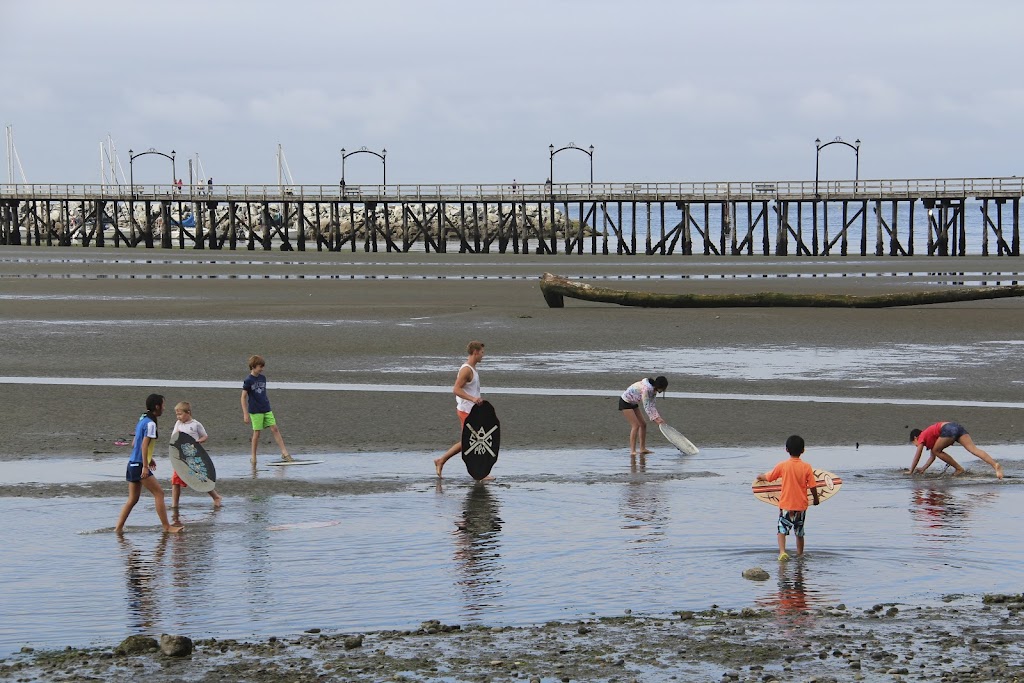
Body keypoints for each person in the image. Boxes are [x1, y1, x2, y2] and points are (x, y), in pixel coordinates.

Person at [114, 394, 184, 534]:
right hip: (139, 465)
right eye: (163, 405)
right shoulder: (151, 424)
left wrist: (149, 458)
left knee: (133, 499)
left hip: (132, 463)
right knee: (159, 493)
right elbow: (144, 445)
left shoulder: (143, 419)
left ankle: (118, 529)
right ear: (157, 406)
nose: (164, 408)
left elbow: (135, 442)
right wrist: (145, 466)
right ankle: (167, 527)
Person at [761, 435, 819, 561]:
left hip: (786, 505)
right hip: (801, 506)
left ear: (786, 450)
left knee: (782, 529)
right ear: (803, 450)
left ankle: (782, 552)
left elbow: (770, 477)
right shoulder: (807, 467)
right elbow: (813, 486)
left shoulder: (783, 465)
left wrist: (761, 477)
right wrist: (816, 499)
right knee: (799, 532)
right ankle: (800, 555)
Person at [434, 341, 486, 478]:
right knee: (473, 441)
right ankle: (480, 473)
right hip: (466, 411)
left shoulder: (472, 369)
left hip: (473, 411)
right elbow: (456, 389)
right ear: (475, 352)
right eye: (482, 353)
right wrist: (473, 399)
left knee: (471, 440)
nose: (483, 356)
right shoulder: (466, 370)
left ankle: (442, 460)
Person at [241, 355, 293, 465]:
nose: (262, 369)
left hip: (266, 408)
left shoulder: (263, 378)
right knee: (257, 433)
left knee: (275, 428)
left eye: (263, 366)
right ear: (253, 367)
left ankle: (284, 453)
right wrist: (245, 414)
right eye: (260, 366)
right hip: (255, 411)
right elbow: (243, 397)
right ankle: (253, 457)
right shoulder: (248, 380)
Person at [170, 401, 222, 509]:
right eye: (177, 415)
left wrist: (198, 442)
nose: (178, 417)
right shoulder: (178, 424)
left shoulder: (195, 424)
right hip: (181, 457)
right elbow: (174, 438)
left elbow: (205, 436)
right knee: (175, 481)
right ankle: (174, 505)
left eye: (180, 414)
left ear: (188, 412)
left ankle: (216, 497)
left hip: (193, 456)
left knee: (200, 478)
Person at [908, 422, 1003, 479]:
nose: (916, 445)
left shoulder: (921, 436)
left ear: (915, 438)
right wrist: (923, 469)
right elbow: (932, 457)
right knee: (973, 449)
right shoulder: (930, 437)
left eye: (913, 443)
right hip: (956, 426)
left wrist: (911, 471)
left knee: (937, 450)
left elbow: (918, 456)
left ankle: (959, 469)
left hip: (947, 428)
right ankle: (995, 465)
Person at [618, 376, 668, 455]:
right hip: (625, 402)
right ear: (660, 386)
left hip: (633, 402)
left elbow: (652, 405)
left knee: (643, 424)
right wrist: (655, 420)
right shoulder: (647, 389)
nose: (663, 390)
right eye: (664, 388)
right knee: (635, 425)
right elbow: (647, 406)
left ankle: (642, 448)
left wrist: (659, 418)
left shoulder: (654, 390)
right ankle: (633, 451)